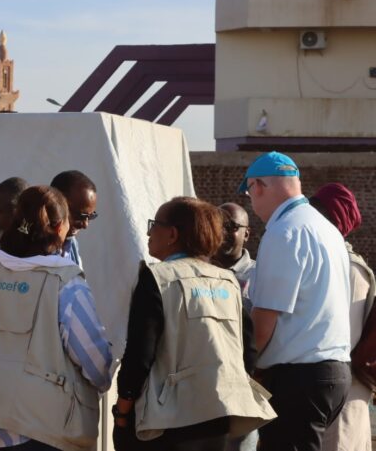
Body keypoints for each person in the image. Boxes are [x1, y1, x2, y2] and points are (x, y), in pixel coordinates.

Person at [0, 185, 113, 451]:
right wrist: (104, 383)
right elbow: (93, 359)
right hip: (34, 426)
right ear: (60, 227)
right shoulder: (65, 282)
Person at [112, 196, 275, 451]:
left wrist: (123, 410)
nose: (149, 232)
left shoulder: (157, 278)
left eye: (154, 225)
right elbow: (248, 351)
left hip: (168, 420)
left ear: (172, 234)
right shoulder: (228, 281)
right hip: (219, 414)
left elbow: (140, 355)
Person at [238, 152, 352, 451]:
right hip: (333, 373)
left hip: (299, 377)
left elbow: (264, 319)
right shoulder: (326, 228)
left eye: (248, 191)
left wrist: (242, 369)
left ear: (258, 186)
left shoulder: (284, 231)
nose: (251, 201)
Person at [310, 183, 374, 451]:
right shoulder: (338, 262)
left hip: (339, 393)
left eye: (315, 211)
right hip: (337, 391)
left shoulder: (346, 267)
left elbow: (339, 338)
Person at [212, 202, 258, 451]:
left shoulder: (259, 276)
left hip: (243, 388)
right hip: (204, 387)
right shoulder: (198, 272)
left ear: (246, 234)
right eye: (219, 224)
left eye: (231, 226)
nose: (223, 231)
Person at [50, 170, 97, 267]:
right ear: (55, 205)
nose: (85, 225)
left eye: (90, 216)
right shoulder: (31, 250)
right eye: (80, 216)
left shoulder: (71, 244)